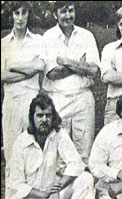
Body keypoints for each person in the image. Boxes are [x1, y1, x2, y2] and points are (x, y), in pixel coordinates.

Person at [9, 93, 98, 199]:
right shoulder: (21, 142)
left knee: (85, 179)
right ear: (32, 118)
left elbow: (76, 163)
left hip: (54, 198)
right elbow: (16, 184)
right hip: (32, 197)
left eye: (48, 115)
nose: (44, 120)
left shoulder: (59, 134)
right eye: (40, 115)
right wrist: (44, 194)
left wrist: (56, 189)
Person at [1, 1, 46, 199]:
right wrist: (26, 68)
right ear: (12, 16)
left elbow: (39, 66)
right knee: (11, 156)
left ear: (29, 15)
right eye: (17, 13)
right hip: (11, 103)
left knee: (33, 155)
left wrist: (15, 67)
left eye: (24, 13)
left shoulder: (37, 41)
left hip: (31, 101)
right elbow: (3, 76)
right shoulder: (3, 43)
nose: (20, 18)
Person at [41, 1, 100, 164]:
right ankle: (60, 190)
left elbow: (94, 70)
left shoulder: (86, 35)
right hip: (58, 99)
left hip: (83, 99)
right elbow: (52, 73)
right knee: (59, 154)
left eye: (70, 10)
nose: (68, 15)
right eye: (63, 11)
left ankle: (83, 188)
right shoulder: (48, 37)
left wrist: (66, 61)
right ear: (55, 14)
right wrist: (80, 65)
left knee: (84, 153)